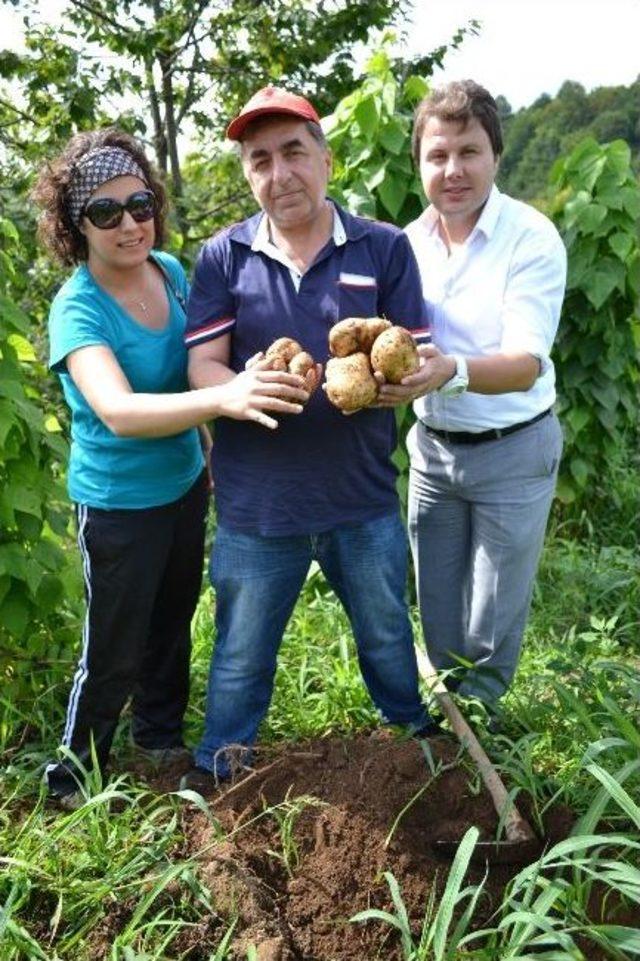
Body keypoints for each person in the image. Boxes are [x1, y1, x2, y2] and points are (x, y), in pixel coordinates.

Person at [33, 128, 308, 808]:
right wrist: (227, 398)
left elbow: (191, 369)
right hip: (118, 503)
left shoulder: (173, 272)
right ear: (76, 226)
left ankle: (157, 736)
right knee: (114, 644)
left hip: (184, 486)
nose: (128, 223)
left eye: (140, 203)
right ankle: (74, 774)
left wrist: (212, 453)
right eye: (105, 212)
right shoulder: (78, 309)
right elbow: (120, 410)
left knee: (172, 619)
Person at [181, 86, 442, 793]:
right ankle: (220, 770)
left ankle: (417, 751)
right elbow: (203, 361)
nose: (279, 173)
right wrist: (239, 388)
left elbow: (413, 350)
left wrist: (400, 380)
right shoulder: (223, 256)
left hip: (360, 497)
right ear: (247, 175)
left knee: (388, 635)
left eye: (294, 152)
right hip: (258, 506)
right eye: (260, 160)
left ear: (325, 159)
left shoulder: (382, 247)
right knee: (239, 654)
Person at [376, 80, 566, 715]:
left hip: (512, 450)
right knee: (437, 600)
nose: (452, 170)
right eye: (437, 155)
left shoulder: (531, 239)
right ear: (418, 164)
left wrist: (449, 370)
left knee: (492, 608)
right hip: (433, 452)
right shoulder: (406, 244)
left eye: (469, 151)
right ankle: (447, 709)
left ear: (495, 156)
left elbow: (525, 364)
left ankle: (484, 726)